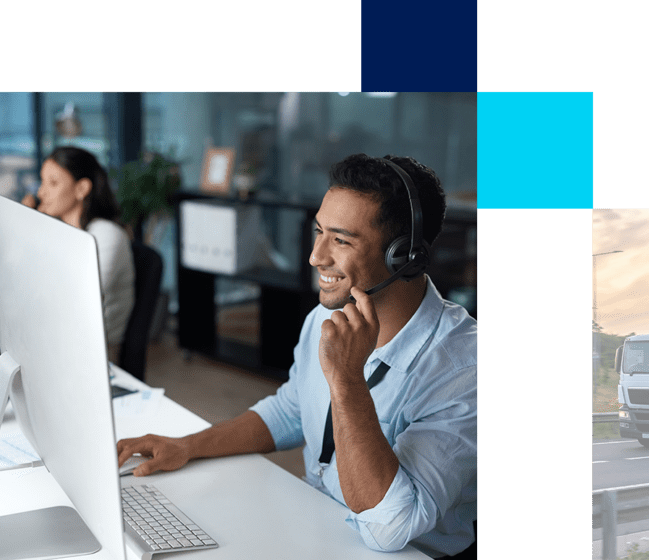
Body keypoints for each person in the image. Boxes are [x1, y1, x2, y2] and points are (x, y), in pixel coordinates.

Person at [116, 154, 477, 559]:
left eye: (340, 240)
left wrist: (347, 380)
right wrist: (188, 446)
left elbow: (390, 528)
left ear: (404, 256)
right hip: (317, 525)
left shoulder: (465, 366)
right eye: (318, 232)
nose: (316, 256)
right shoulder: (326, 316)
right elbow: (291, 410)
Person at [0, 146, 135, 362]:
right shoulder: (57, 236)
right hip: (52, 345)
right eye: (42, 182)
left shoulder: (106, 236)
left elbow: (69, 312)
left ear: (81, 189)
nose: (41, 193)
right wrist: (20, 233)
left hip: (92, 357)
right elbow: (0, 299)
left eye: (53, 183)